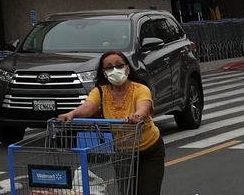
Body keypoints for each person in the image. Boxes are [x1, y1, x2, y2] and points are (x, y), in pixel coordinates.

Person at [57, 50, 164, 195]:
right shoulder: (100, 92)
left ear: (127, 68)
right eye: (109, 67)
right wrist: (72, 114)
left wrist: (137, 115)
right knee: (127, 191)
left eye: (119, 65)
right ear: (104, 73)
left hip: (149, 150)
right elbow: (88, 107)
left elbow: (143, 105)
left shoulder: (140, 89)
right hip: (123, 153)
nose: (114, 70)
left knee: (148, 191)